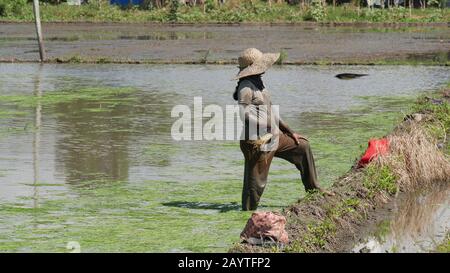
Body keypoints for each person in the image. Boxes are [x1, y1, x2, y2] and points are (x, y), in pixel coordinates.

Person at [233, 48, 333, 211]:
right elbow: (244, 115)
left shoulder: (260, 83)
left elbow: (272, 112)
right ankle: (248, 214)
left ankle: (313, 189)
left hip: (274, 137)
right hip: (257, 142)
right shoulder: (245, 87)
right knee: (256, 184)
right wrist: (263, 122)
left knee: (302, 146)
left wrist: (289, 131)